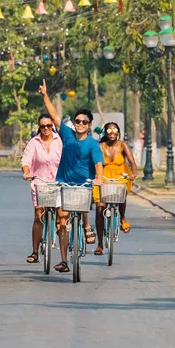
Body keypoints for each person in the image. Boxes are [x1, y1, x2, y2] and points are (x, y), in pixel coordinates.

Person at [40, 80, 104, 273]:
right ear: (74, 123)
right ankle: (63, 260)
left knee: (81, 210)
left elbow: (98, 165)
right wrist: (45, 95)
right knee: (62, 219)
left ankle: (85, 226)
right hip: (63, 184)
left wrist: (98, 179)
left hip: (84, 186)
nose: (81, 124)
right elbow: (54, 115)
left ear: (89, 124)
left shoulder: (93, 144)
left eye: (84, 122)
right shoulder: (66, 134)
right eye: (78, 121)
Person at [21, 113, 62, 264]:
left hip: (58, 183)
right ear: (39, 127)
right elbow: (26, 160)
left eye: (49, 126)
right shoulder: (34, 143)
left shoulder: (60, 141)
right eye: (43, 126)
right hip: (40, 183)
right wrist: (26, 172)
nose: (46, 129)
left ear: (53, 126)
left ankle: (63, 238)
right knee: (39, 215)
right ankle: (35, 252)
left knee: (62, 216)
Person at [94, 122, 137, 255]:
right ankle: (100, 244)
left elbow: (131, 161)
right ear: (105, 132)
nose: (112, 133)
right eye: (109, 131)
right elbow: (95, 162)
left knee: (121, 192)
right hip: (104, 179)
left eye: (114, 131)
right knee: (100, 208)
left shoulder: (122, 145)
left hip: (120, 177)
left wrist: (133, 173)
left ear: (118, 132)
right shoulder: (100, 146)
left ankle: (122, 217)